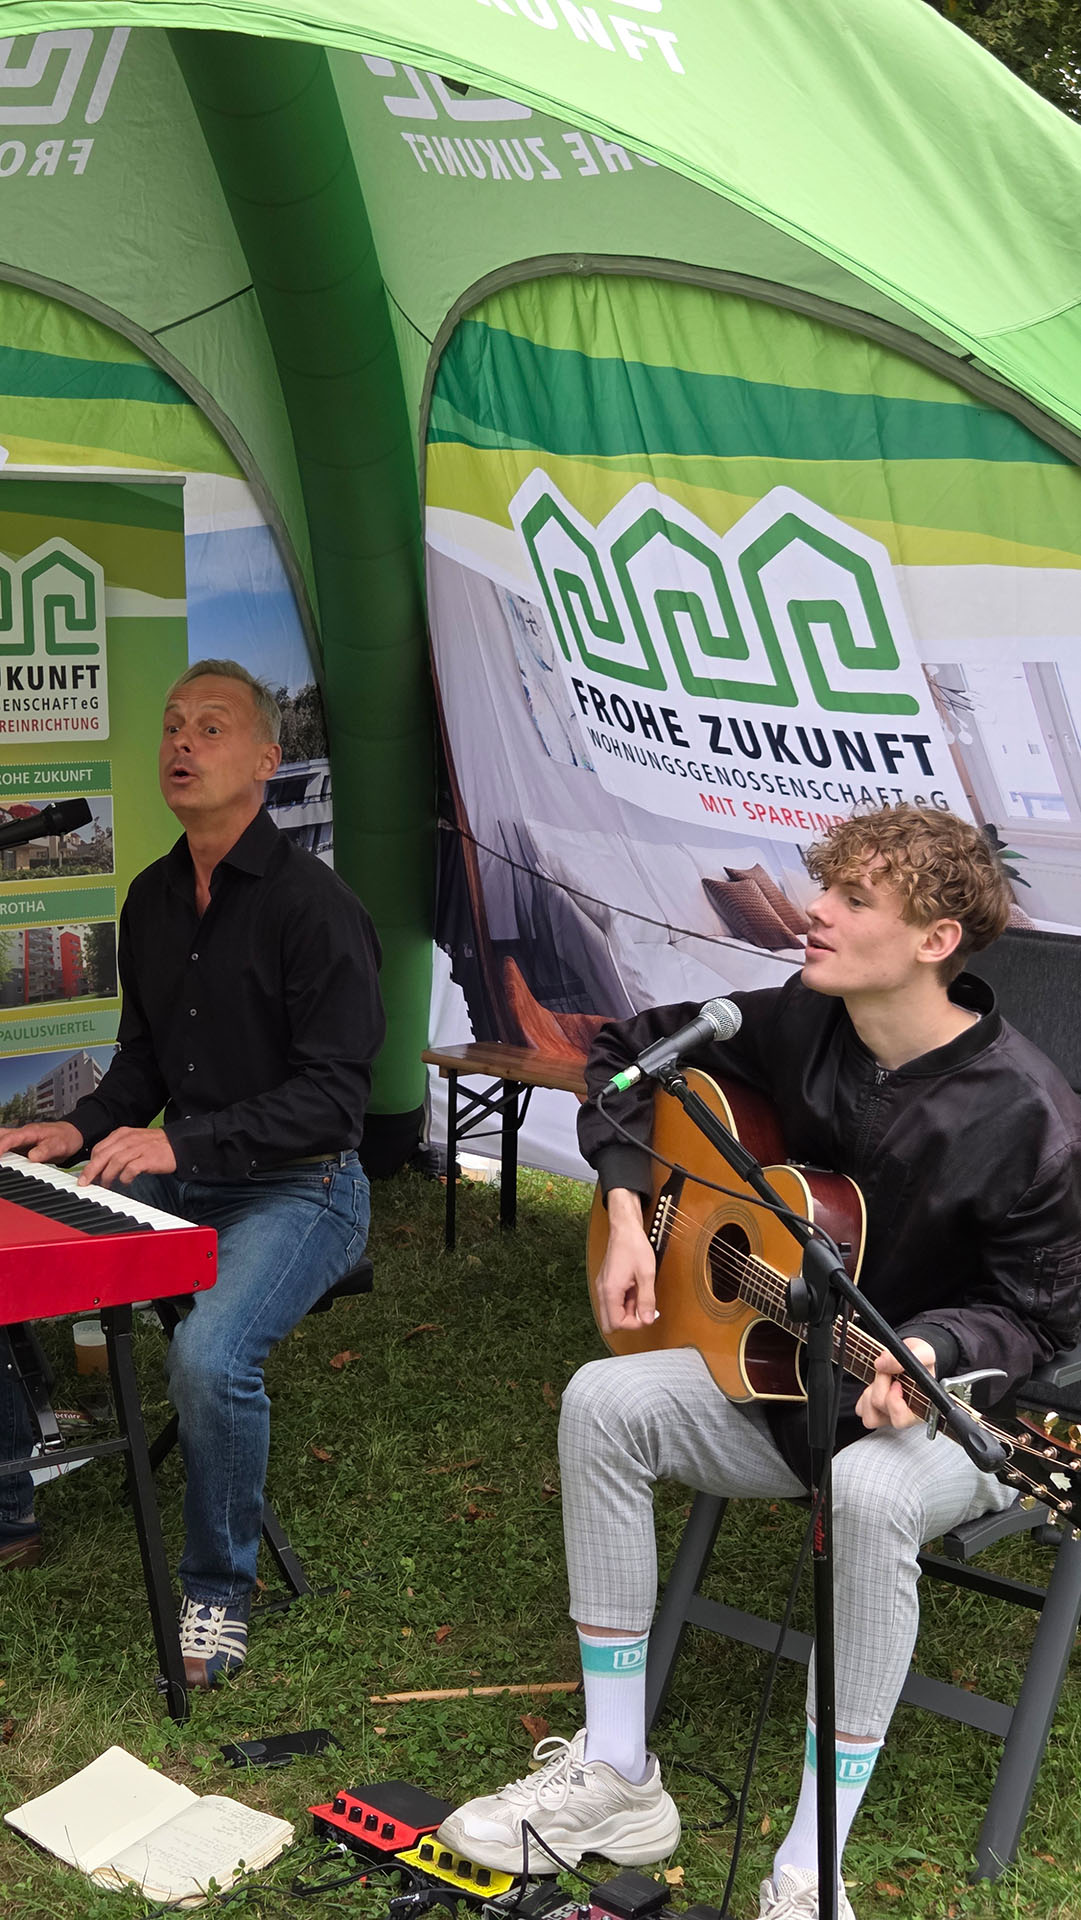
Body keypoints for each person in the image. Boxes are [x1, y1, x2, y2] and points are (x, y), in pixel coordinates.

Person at [436, 804, 1081, 1918]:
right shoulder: (797, 1020)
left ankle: (808, 1871)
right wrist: (629, 1211)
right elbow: (622, 1060)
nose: (812, 912)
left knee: (868, 1490)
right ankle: (618, 1773)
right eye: (824, 887)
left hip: (952, 1410)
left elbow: (1043, 1319)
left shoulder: (1029, 1118)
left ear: (933, 941)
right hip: (782, 1378)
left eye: (851, 899)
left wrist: (933, 1345)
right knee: (602, 1398)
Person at [0, 659, 385, 1688]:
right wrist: (76, 1128)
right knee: (4, 1244)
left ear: (264, 759)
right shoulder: (151, 897)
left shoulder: (315, 907)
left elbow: (333, 1101)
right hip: (185, 1173)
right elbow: (142, 1067)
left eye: (211, 727)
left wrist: (179, 1144)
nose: (182, 741)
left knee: (210, 1360)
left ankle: (217, 1592)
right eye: (172, 724)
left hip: (302, 1186)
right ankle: (9, 1506)